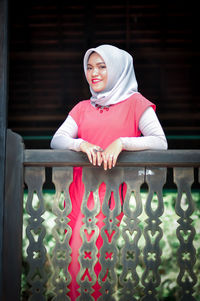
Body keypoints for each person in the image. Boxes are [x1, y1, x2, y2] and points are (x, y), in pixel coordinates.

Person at [51, 44, 168, 300]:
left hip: (112, 194)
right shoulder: (82, 107)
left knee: (93, 262)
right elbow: (57, 140)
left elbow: (160, 141)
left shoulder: (136, 103)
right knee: (77, 263)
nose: (94, 73)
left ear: (117, 69)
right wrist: (80, 143)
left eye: (102, 67)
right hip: (81, 193)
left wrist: (122, 142)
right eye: (90, 67)